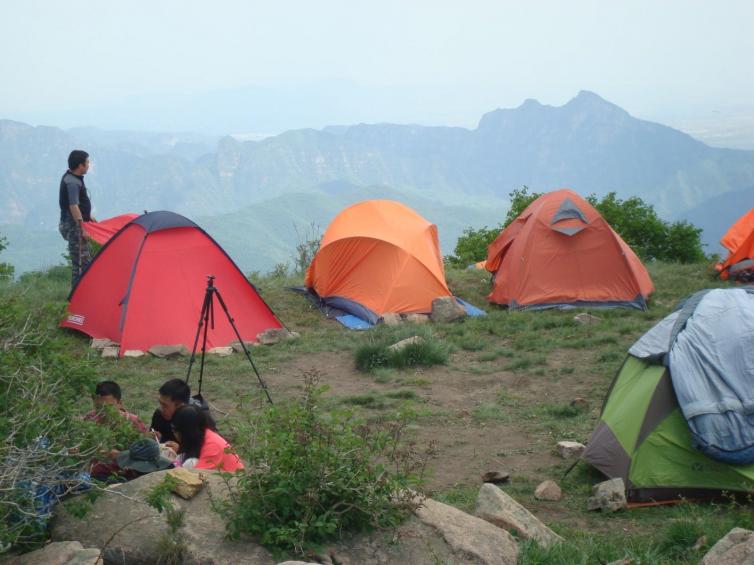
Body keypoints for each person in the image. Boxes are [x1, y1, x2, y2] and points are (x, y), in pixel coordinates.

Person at [59, 149, 96, 288]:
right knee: (81, 265)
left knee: (84, 261)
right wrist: (82, 229)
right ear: (80, 165)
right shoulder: (72, 182)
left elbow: (78, 203)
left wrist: (88, 216)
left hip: (76, 224)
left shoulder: (73, 178)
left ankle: (81, 299)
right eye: (86, 162)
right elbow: (73, 205)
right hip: (74, 227)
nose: (88, 165)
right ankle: (77, 303)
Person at [171, 405, 244, 472]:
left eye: (174, 430)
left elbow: (197, 475)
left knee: (190, 464)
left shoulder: (212, 446)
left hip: (233, 483)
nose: (174, 433)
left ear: (185, 432)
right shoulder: (203, 435)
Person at [150, 379, 191, 448]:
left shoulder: (191, 421)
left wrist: (180, 450)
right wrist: (154, 437)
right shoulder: (159, 415)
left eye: (164, 405)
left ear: (179, 405)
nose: (161, 408)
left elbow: (197, 451)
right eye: (160, 403)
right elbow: (154, 433)